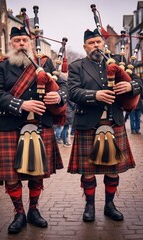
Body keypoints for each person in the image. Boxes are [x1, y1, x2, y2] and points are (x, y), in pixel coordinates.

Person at [0, 26, 67, 234]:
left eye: (25, 40)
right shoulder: (2, 66)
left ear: (31, 43)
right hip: (11, 125)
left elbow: (63, 87)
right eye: (17, 41)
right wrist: (21, 105)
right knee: (11, 175)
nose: (21, 44)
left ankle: (33, 210)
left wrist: (58, 96)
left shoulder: (46, 63)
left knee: (36, 172)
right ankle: (19, 213)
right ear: (11, 44)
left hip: (41, 124)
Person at [67, 29, 143, 222]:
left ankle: (110, 205)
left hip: (113, 121)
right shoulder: (77, 66)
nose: (96, 46)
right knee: (87, 171)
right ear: (85, 47)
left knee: (113, 169)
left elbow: (139, 82)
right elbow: (73, 92)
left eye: (98, 42)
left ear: (104, 44)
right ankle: (89, 206)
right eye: (91, 43)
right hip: (88, 124)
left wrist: (131, 86)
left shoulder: (118, 62)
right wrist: (95, 95)